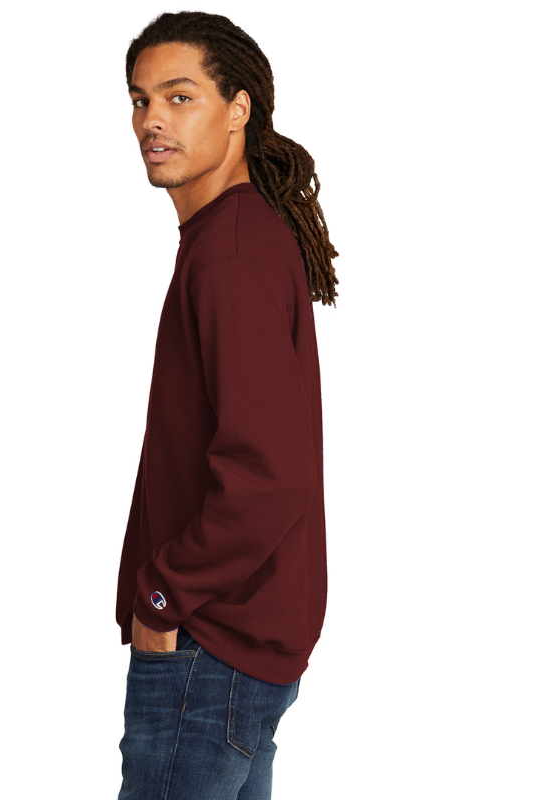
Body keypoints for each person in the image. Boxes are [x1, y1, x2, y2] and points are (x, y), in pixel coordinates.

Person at [115, 11, 339, 799]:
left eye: (180, 97)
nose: (153, 120)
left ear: (239, 108)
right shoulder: (236, 236)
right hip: (236, 644)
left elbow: (266, 475)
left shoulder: (232, 255)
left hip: (208, 647)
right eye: (141, 99)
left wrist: (161, 595)